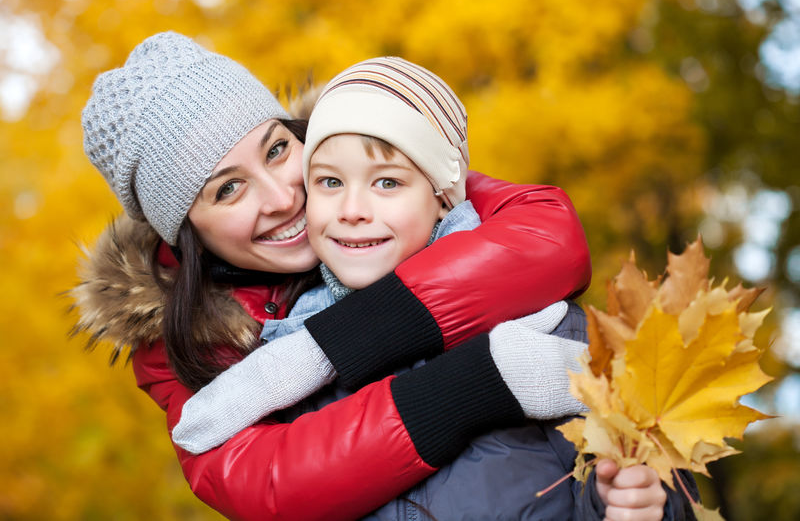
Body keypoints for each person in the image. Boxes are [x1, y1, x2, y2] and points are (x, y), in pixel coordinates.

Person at [69, 31, 614, 520]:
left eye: (278, 150)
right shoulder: (187, 354)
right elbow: (270, 485)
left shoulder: (374, 161)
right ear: (186, 236)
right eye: (227, 189)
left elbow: (545, 236)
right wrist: (480, 383)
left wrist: (324, 348)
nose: (285, 198)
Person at [170, 56, 698, 520]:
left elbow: (637, 465)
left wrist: (644, 504)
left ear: (444, 198)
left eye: (387, 183)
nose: (352, 210)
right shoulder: (277, 382)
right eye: (330, 182)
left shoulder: (544, 323)